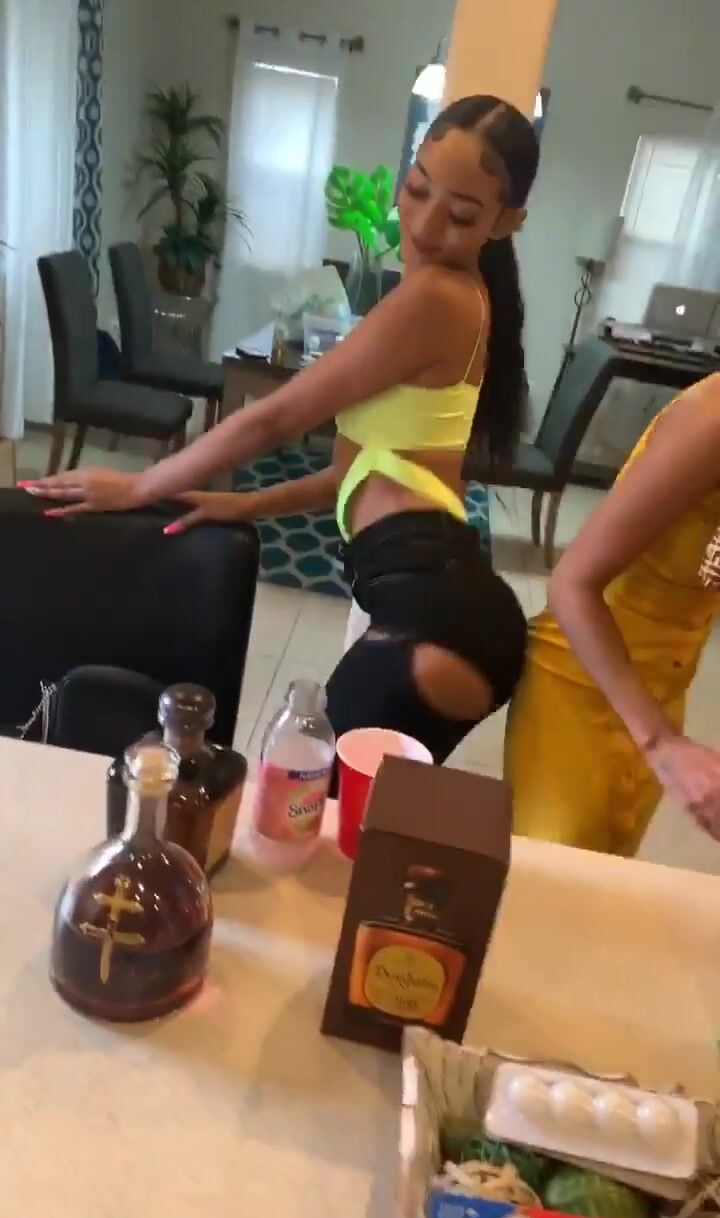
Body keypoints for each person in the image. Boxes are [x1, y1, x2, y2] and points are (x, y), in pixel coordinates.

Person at [24, 95, 539, 765]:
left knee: (296, 799)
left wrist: (140, 485)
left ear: (508, 221)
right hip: (447, 605)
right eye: (417, 189)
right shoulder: (468, 298)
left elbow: (277, 415)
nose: (424, 223)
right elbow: (351, 474)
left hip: (434, 616)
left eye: (462, 214)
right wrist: (239, 504)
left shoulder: (436, 295)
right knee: (344, 812)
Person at [505, 374, 720, 854]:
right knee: (551, 877)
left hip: (663, 692)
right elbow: (571, 586)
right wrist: (661, 743)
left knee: (605, 871)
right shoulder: (710, 421)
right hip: (584, 680)